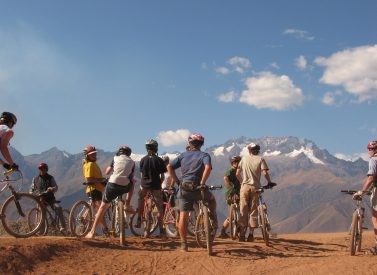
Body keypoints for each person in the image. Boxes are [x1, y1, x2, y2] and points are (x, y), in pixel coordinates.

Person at [168, 133, 218, 251]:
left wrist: (176, 181)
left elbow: (169, 166)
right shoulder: (204, 155)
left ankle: (183, 244)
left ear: (189, 144)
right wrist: (202, 182)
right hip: (198, 187)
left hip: (184, 188)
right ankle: (212, 217)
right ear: (201, 144)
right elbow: (207, 167)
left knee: (183, 215)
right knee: (211, 199)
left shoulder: (183, 156)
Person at [86, 146, 136, 239]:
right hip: (125, 185)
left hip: (113, 184)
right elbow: (131, 176)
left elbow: (107, 172)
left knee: (102, 208)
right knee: (132, 183)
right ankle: (127, 204)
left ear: (119, 152)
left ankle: (92, 232)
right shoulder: (132, 162)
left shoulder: (115, 158)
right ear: (129, 153)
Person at [236, 143, 272, 242]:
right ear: (258, 150)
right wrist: (269, 182)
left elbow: (237, 173)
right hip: (256, 187)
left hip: (244, 187)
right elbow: (264, 172)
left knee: (243, 210)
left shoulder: (243, 159)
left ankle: (242, 234)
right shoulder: (260, 159)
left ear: (249, 150)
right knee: (253, 211)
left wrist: (242, 181)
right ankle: (251, 235)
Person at [136, 139, 167, 239]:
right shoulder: (159, 160)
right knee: (159, 208)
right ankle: (162, 231)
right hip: (156, 186)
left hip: (145, 185)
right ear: (156, 148)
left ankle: (139, 218)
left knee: (141, 198)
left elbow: (142, 174)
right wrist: (159, 184)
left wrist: (144, 183)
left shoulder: (143, 160)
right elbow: (162, 177)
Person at [353, 140, 377, 254]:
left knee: (375, 216)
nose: (369, 152)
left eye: (371, 149)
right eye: (368, 149)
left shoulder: (373, 160)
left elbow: (371, 178)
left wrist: (362, 192)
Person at [29, 163, 66, 233]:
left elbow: (56, 187)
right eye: (40, 169)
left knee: (58, 208)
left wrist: (52, 188)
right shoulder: (35, 179)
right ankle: (41, 232)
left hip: (51, 199)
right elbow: (31, 189)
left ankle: (63, 226)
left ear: (46, 169)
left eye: (44, 169)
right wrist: (32, 193)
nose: (42, 170)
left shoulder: (50, 178)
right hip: (41, 199)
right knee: (42, 214)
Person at [82, 145, 108, 235]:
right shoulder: (90, 164)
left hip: (96, 189)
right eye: (92, 154)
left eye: (95, 154)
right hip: (94, 189)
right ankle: (106, 230)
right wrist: (101, 180)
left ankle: (84, 220)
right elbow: (89, 179)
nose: (94, 155)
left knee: (96, 208)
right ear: (87, 156)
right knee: (100, 211)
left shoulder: (93, 164)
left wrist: (102, 180)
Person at [218, 155, 241, 238]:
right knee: (234, 214)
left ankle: (225, 231)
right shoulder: (230, 170)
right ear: (232, 163)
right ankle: (224, 231)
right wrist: (231, 187)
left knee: (236, 213)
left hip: (237, 192)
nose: (237, 163)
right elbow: (225, 178)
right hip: (231, 193)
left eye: (238, 162)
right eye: (235, 162)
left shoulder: (237, 170)